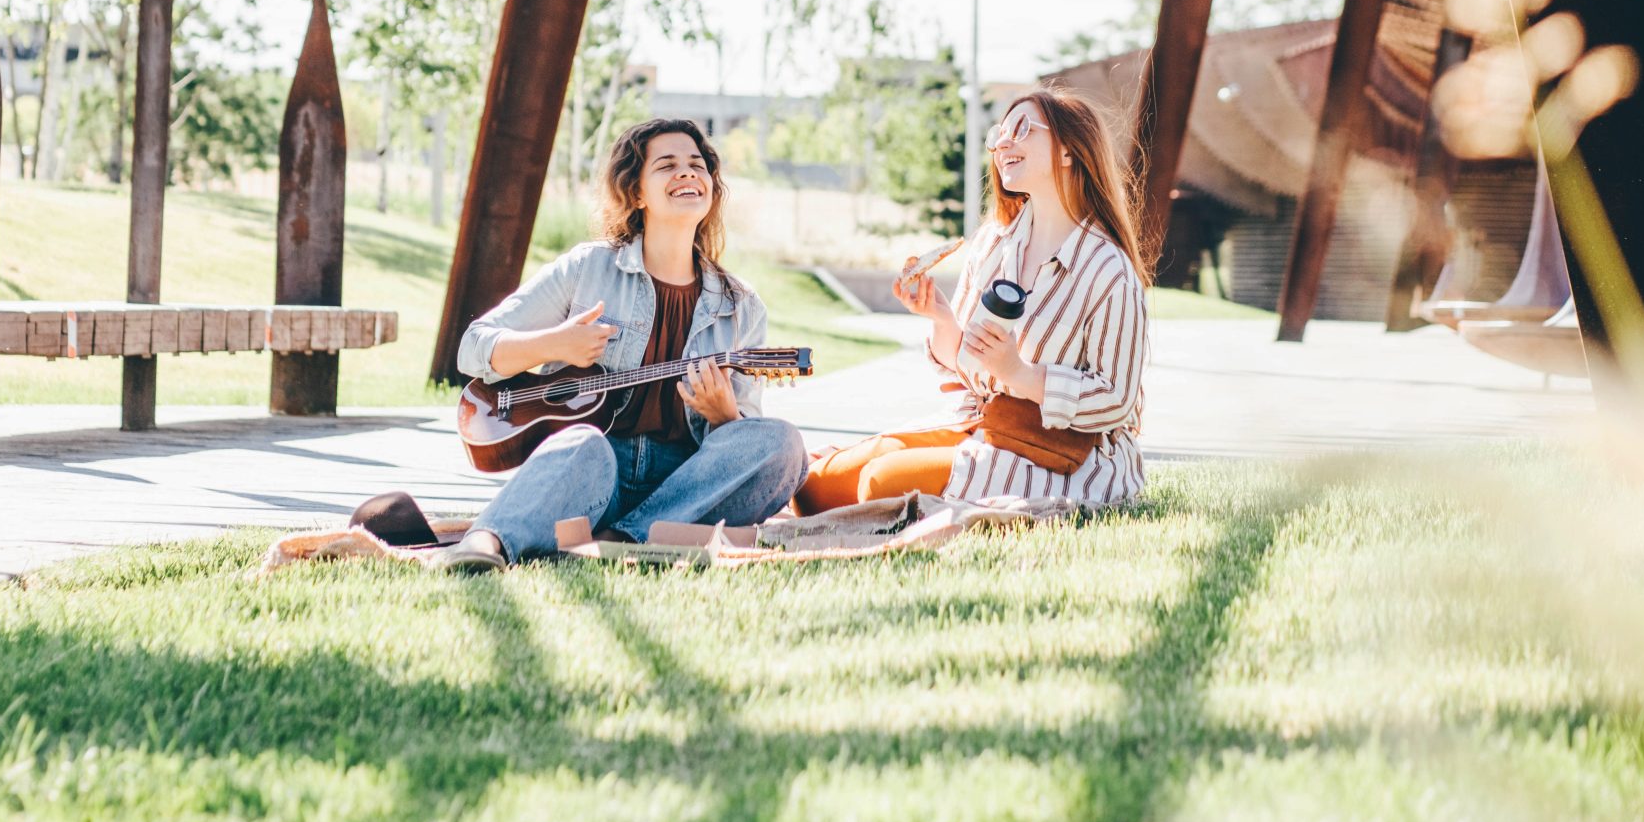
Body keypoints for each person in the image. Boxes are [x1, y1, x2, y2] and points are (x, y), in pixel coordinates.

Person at [435, 118, 809, 569]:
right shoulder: (587, 269)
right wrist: (556, 344)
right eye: (667, 165)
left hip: (683, 487)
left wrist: (724, 415)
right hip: (596, 472)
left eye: (697, 165)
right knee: (581, 445)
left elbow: (740, 444)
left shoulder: (742, 306)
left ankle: (623, 539)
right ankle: (487, 543)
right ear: (637, 194)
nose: (688, 173)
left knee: (783, 445)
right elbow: (474, 347)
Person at [797, 84, 1150, 511]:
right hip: (983, 423)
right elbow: (966, 366)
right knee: (814, 489)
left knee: (879, 484)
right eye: (999, 132)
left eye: (1021, 129)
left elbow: (1116, 401)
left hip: (1067, 455)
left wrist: (1020, 373)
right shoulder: (993, 245)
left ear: (1068, 151)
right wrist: (942, 319)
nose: (1002, 142)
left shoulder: (1110, 271)